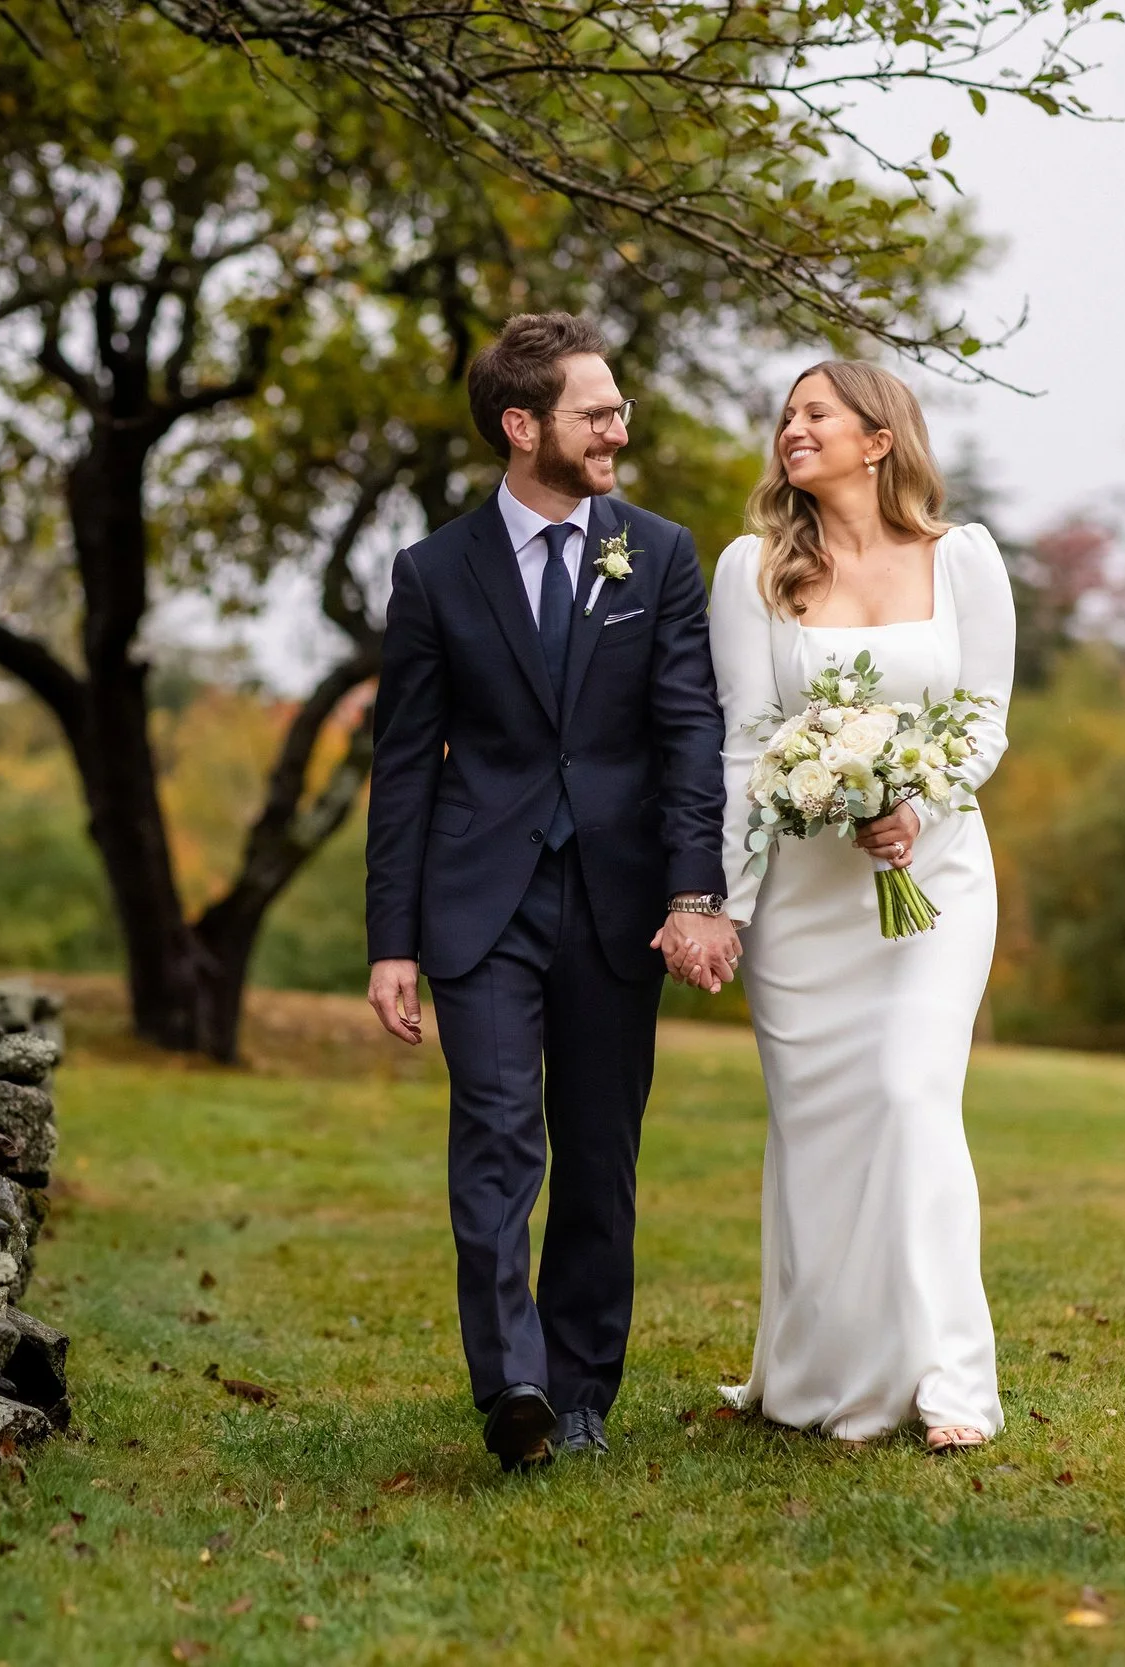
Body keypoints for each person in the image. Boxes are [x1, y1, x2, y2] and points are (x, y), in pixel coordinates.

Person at [365, 312, 736, 1473]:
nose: (618, 427)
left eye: (616, 409)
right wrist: (392, 941)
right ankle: (511, 1377)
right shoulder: (431, 572)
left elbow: (689, 733)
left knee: (597, 1150)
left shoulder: (659, 554)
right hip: (480, 900)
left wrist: (692, 888)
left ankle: (581, 1390)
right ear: (523, 427)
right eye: (596, 412)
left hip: (623, 897)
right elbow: (403, 763)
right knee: (493, 1135)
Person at [706, 360, 1015, 1450]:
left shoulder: (962, 558)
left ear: (879, 438)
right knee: (821, 1130)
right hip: (805, 902)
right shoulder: (753, 570)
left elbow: (981, 718)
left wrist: (916, 807)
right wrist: (726, 905)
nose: (791, 429)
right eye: (785, 415)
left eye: (815, 413)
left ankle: (949, 1383)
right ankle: (816, 1370)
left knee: (908, 1090)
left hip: (934, 882)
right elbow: (746, 744)